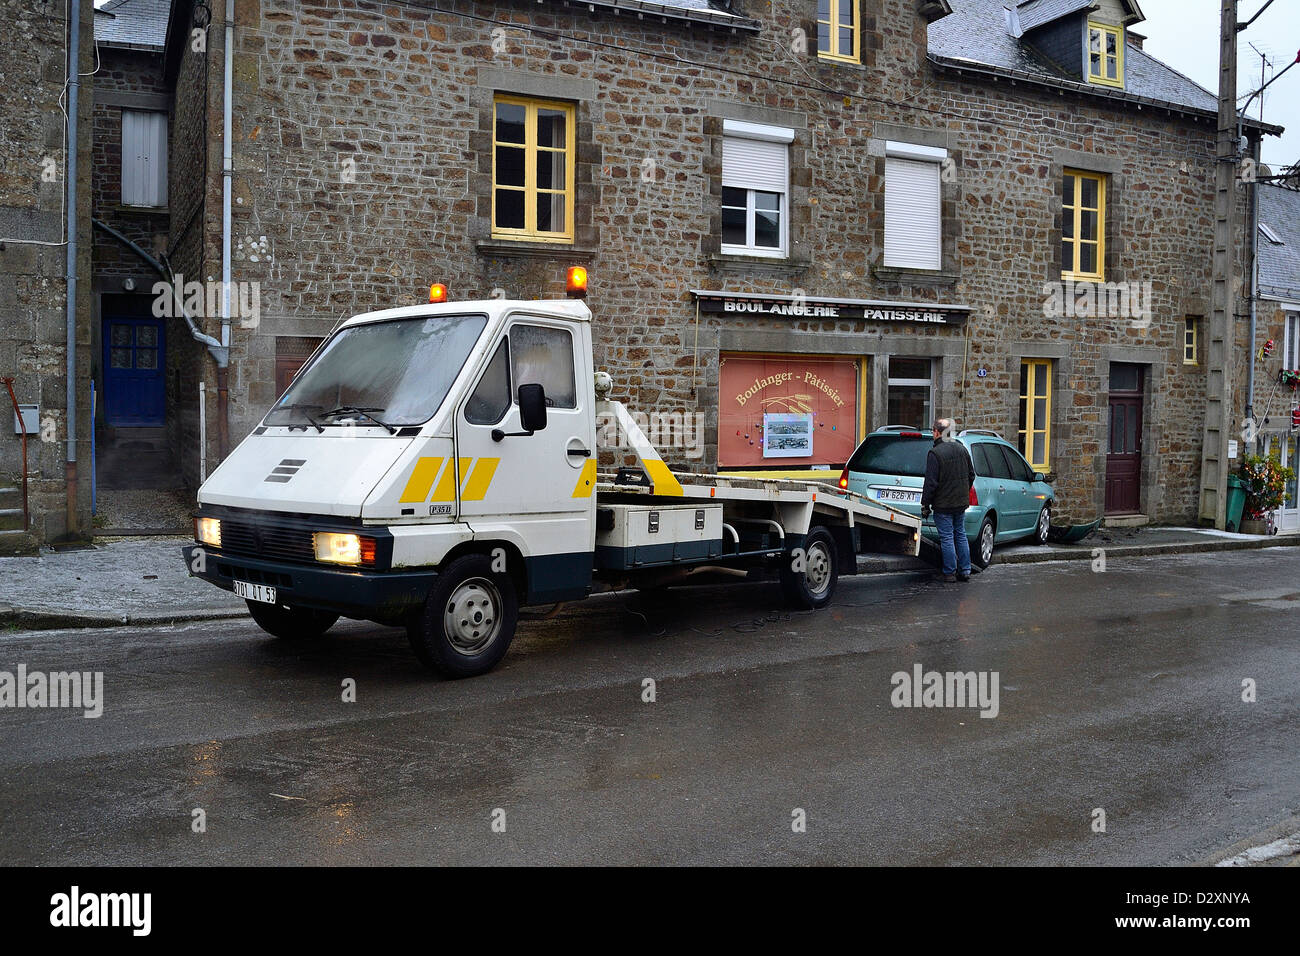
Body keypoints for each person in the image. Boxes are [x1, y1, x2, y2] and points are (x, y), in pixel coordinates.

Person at [920, 417, 976, 583]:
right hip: (960, 503)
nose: (932, 433)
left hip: (943, 505)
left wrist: (925, 504)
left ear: (937, 432)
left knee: (946, 537)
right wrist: (962, 492)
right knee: (960, 534)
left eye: (933, 431)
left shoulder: (935, 453)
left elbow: (931, 483)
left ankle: (949, 571)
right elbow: (971, 475)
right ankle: (965, 570)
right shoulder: (962, 449)